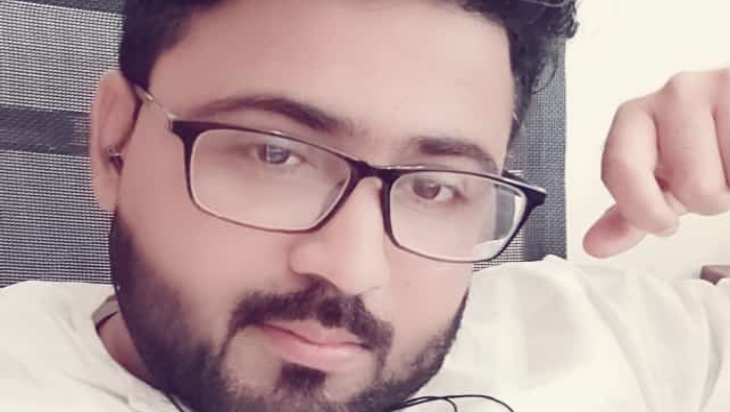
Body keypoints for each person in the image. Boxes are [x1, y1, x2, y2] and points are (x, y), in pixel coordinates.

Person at [1, 0, 728, 411]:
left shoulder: (620, 340)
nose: (352, 269)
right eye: (275, 154)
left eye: (435, 187)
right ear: (115, 140)